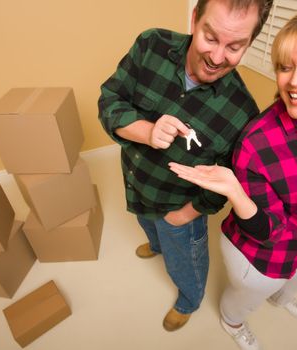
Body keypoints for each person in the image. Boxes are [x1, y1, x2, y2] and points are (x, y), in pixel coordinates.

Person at [169, 4, 297, 349]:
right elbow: (267, 231)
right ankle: (232, 322)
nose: (294, 80)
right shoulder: (258, 143)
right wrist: (237, 193)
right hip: (259, 257)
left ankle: (281, 298)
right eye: (285, 67)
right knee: (248, 296)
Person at [98, 0, 273, 332]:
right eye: (210, 37)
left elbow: (224, 184)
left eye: (235, 46)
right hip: (137, 184)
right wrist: (147, 132)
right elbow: (110, 100)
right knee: (148, 225)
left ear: (248, 44)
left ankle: (189, 300)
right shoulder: (151, 45)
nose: (218, 57)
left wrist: (185, 215)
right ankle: (157, 244)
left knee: (186, 263)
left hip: (180, 209)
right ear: (195, 19)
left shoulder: (244, 114)